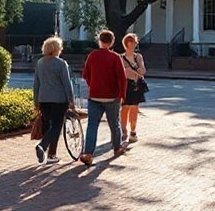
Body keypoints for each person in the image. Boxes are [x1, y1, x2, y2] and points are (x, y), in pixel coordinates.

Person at [79, 29, 128, 166]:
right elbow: (122, 78)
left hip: (94, 96)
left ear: (99, 41)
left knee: (92, 125)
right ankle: (117, 148)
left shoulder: (92, 55)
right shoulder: (115, 57)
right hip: (112, 97)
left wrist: (92, 85)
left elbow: (85, 74)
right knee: (114, 124)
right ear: (112, 42)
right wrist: (121, 95)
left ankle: (88, 153)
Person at [32, 36, 75, 165]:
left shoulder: (40, 63)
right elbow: (67, 83)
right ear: (57, 49)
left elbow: (36, 84)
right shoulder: (61, 63)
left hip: (43, 99)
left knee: (48, 126)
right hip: (59, 99)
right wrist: (71, 99)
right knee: (57, 126)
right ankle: (43, 146)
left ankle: (51, 155)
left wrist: (35, 101)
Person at [120, 33, 147, 143]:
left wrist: (137, 70)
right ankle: (124, 131)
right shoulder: (121, 58)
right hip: (126, 85)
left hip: (136, 85)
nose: (136, 44)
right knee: (125, 108)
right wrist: (134, 71)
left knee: (134, 108)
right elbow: (124, 73)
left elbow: (143, 71)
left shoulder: (138, 57)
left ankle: (133, 131)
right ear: (129, 43)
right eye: (135, 42)